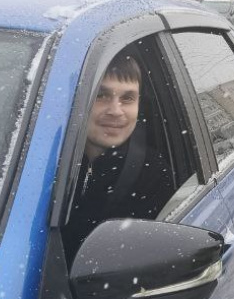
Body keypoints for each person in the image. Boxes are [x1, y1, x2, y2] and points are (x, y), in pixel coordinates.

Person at [63, 53, 175, 261]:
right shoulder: (43, 162)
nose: (115, 110)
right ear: (76, 100)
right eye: (100, 95)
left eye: (127, 98)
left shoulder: (152, 174)